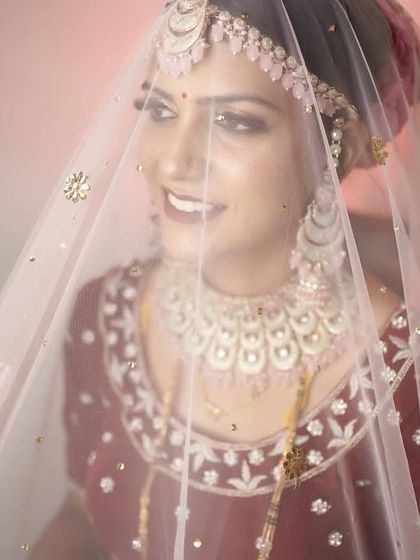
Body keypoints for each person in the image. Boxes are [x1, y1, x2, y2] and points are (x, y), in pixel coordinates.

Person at [1, 0, 419, 559]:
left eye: (234, 121)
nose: (174, 162)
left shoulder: (403, 380)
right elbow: (83, 515)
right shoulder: (106, 315)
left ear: (336, 150)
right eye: (159, 110)